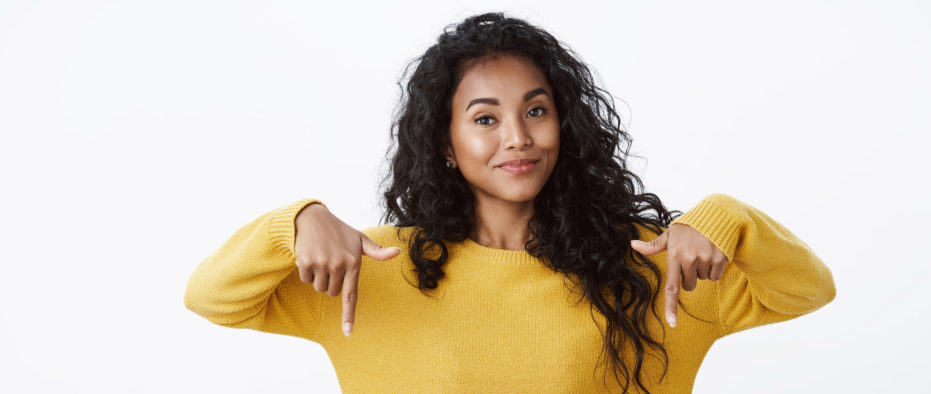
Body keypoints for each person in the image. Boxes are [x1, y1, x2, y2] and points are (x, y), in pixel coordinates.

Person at [183, 12, 837, 394]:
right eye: (486, 119)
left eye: (536, 110)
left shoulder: (648, 263)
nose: (518, 137)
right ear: (445, 141)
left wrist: (724, 218)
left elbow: (807, 289)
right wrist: (295, 222)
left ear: (564, 125)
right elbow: (210, 298)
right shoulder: (373, 269)